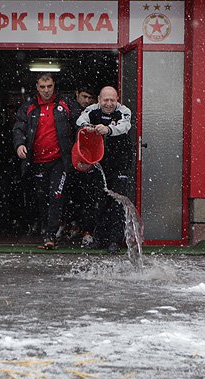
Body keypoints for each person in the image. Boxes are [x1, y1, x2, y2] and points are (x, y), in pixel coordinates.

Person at [12, 73, 74, 249]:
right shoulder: (29, 107)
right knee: (42, 198)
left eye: (50, 87)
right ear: (37, 87)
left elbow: (80, 123)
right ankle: (45, 231)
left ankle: (50, 235)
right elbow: (18, 128)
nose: (46, 91)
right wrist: (19, 145)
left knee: (56, 195)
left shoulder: (65, 104)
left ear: (54, 86)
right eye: (43, 87)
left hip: (59, 160)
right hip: (38, 161)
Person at [76, 86, 133, 254]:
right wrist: (89, 127)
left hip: (120, 164)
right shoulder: (92, 110)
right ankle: (99, 238)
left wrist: (108, 129)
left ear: (117, 100)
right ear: (99, 99)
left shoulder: (123, 111)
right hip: (99, 164)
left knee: (117, 203)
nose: (109, 104)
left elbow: (124, 126)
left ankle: (115, 240)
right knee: (99, 201)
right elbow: (80, 121)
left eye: (112, 100)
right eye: (105, 100)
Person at [60, 85, 99, 247]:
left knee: (89, 198)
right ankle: (71, 224)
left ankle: (87, 231)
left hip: (91, 160)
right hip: (71, 160)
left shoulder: (97, 111)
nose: (86, 101)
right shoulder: (67, 110)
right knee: (68, 195)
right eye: (84, 96)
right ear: (76, 94)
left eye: (90, 98)